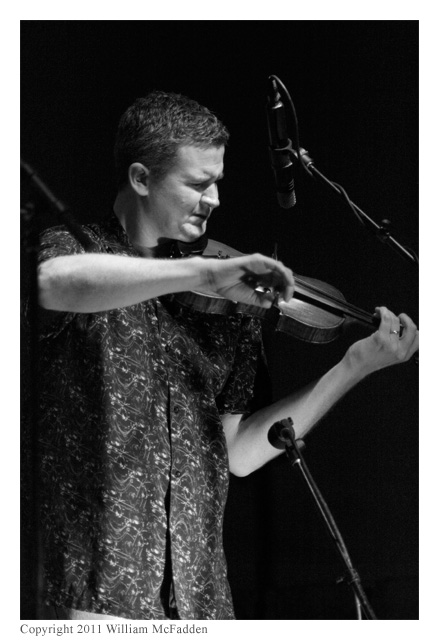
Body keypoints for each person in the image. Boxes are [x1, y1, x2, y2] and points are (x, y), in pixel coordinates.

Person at [35, 90, 418, 621]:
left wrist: (353, 366)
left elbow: (237, 452)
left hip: (203, 603)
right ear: (141, 178)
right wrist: (206, 273)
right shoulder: (74, 250)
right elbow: (52, 283)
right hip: (98, 596)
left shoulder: (229, 307)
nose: (214, 198)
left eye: (217, 181)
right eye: (197, 184)